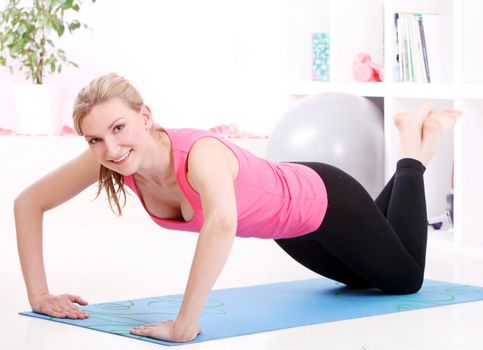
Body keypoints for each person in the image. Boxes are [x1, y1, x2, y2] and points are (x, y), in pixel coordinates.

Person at [14, 73, 462, 343]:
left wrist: (184, 324)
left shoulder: (199, 154)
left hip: (326, 199)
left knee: (405, 279)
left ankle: (413, 150)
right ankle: (409, 158)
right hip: (291, 230)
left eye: (118, 128)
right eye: (95, 139)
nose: (110, 148)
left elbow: (223, 223)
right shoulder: (113, 159)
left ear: (145, 117)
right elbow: (28, 203)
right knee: (366, 280)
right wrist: (39, 295)